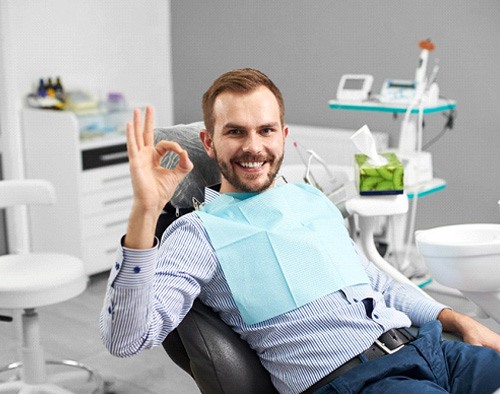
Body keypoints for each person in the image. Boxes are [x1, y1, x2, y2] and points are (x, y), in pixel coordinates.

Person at [100, 68, 500, 394]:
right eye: (235, 131)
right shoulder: (196, 233)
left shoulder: (309, 199)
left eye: (266, 130)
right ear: (209, 142)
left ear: (284, 136)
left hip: (425, 349)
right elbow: (126, 340)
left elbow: (375, 279)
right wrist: (145, 211)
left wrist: (457, 319)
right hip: (356, 381)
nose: (253, 147)